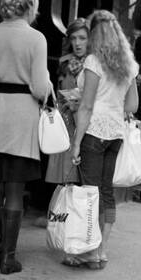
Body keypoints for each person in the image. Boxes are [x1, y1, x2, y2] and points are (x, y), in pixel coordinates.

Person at [0, 0, 53, 275]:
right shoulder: (36, 39)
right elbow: (41, 88)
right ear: (29, 6)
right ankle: (8, 257)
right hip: (22, 116)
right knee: (15, 189)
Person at [65, 9, 139, 270]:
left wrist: (76, 142)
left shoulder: (94, 62)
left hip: (94, 132)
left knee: (89, 194)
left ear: (94, 33)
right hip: (115, 134)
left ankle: (88, 251)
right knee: (106, 193)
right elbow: (132, 104)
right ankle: (101, 250)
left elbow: (86, 107)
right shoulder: (128, 65)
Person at [43, 17, 90, 200]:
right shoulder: (64, 61)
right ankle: (59, 217)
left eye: (82, 38)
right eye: (73, 38)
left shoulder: (94, 63)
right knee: (64, 176)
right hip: (66, 121)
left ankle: (75, 219)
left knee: (83, 176)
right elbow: (59, 92)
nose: (77, 43)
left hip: (85, 122)